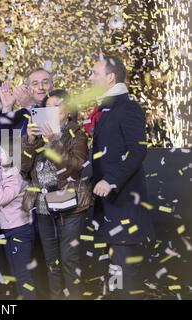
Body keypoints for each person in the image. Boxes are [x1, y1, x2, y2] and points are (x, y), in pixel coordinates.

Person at [88, 55, 154, 299]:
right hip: (108, 211)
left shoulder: (128, 107)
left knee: (125, 278)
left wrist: (111, 179)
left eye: (95, 73)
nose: (90, 77)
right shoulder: (106, 108)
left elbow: (138, 149)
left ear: (110, 77)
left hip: (123, 210)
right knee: (114, 277)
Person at [21, 89, 93, 299]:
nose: (53, 110)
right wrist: (30, 140)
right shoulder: (38, 133)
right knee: (52, 262)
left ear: (68, 109)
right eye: (49, 106)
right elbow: (23, 168)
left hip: (70, 205)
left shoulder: (77, 133)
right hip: (44, 206)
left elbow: (75, 167)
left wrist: (54, 142)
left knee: (69, 260)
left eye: (57, 105)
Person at [0, 143, 36, 300]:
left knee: (22, 276)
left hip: (20, 230)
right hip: (10, 229)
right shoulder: (6, 170)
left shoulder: (16, 175)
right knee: (16, 275)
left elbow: (1, 198)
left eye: (1, 154)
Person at [0, 68, 54, 137]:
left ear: (53, 85)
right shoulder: (22, 113)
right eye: (35, 84)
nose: (40, 87)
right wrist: (7, 107)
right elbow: (0, 138)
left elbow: (48, 135)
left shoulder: (61, 107)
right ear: (28, 88)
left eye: (45, 83)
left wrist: (30, 105)